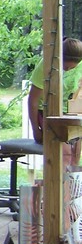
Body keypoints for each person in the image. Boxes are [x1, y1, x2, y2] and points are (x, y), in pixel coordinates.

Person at [27, 37, 82, 166]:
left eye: (71, 68)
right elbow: (33, 100)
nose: (67, 70)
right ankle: (57, 184)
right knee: (65, 153)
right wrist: (35, 129)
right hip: (47, 111)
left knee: (75, 153)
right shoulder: (46, 65)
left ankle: (70, 184)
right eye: (65, 67)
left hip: (70, 111)